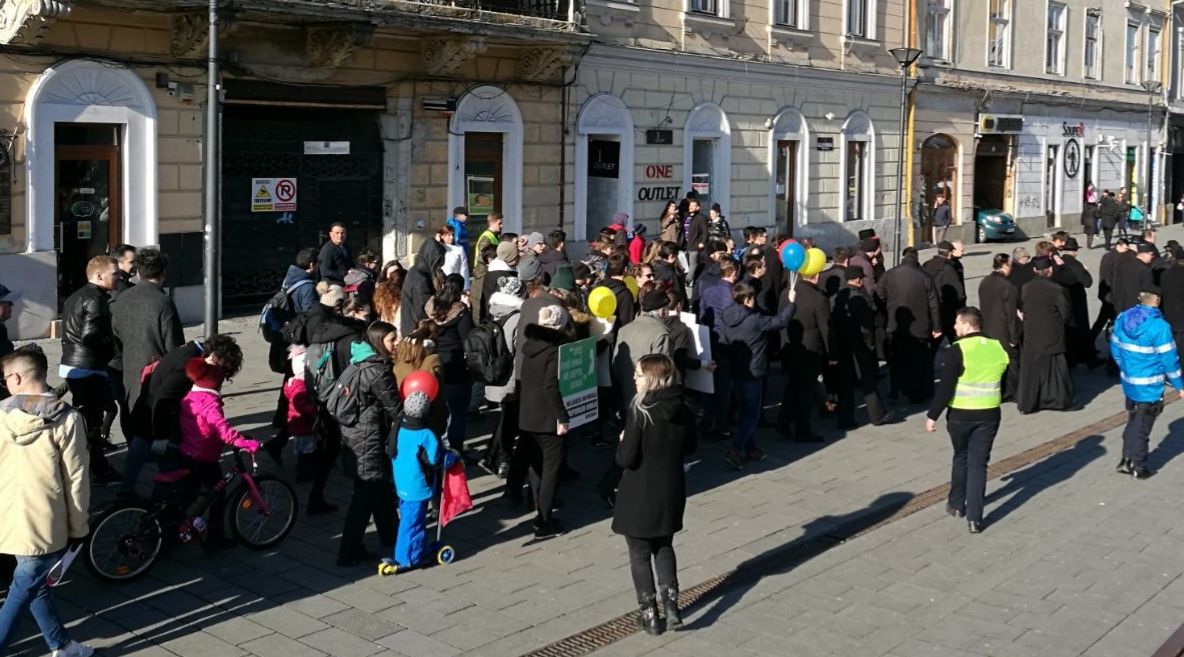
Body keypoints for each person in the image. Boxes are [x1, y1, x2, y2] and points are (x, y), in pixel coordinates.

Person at [0, 347, 94, 657]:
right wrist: (79, 527)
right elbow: (77, 479)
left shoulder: (1, 413)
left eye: (5, 379)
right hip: (44, 520)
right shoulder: (67, 419)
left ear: (16, 377)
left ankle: (61, 645)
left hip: (9, 515)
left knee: (32, 581)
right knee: (22, 589)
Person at [612, 354, 697, 636]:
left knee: (639, 554)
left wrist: (624, 440)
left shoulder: (642, 411)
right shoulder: (683, 408)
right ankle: (672, 608)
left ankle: (650, 615)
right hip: (671, 490)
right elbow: (691, 447)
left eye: (638, 374)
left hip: (639, 493)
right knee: (664, 546)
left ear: (651, 378)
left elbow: (626, 459)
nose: (635, 379)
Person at [124, 335, 243, 497]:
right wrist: (161, 436)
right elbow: (164, 398)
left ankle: (129, 493)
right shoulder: (188, 366)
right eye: (221, 368)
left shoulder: (190, 349)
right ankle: (159, 511)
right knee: (176, 473)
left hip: (147, 413)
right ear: (215, 358)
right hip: (157, 418)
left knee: (145, 450)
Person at [925, 307, 1009, 534]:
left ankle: (956, 504)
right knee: (979, 464)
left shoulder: (957, 349)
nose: (954, 327)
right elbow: (1007, 378)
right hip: (989, 414)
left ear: (968, 325)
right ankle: (975, 518)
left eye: (957, 323)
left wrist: (933, 415)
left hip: (961, 415)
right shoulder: (997, 347)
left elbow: (945, 386)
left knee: (961, 457)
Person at [176, 356, 261, 547]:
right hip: (204, 457)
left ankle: (170, 529)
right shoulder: (208, 402)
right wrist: (242, 442)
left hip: (188, 452)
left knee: (188, 494)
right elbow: (220, 427)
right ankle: (216, 537)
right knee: (217, 496)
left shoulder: (190, 396)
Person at [337, 322, 403, 567]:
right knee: (363, 498)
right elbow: (395, 408)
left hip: (355, 436)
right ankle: (348, 551)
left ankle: (391, 535)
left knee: (380, 489)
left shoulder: (360, 361)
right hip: (367, 439)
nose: (396, 344)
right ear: (378, 342)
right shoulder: (377, 370)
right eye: (391, 340)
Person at [719, 282, 796, 468]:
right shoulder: (754, 319)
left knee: (746, 411)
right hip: (753, 372)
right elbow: (780, 321)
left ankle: (751, 449)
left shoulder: (727, 316)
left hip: (736, 370)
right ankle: (736, 449)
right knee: (751, 414)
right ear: (747, 299)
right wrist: (791, 303)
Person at [111, 248, 184, 442]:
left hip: (129, 370)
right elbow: (175, 348)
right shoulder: (163, 302)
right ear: (163, 273)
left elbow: (115, 335)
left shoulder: (123, 298)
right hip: (157, 374)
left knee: (134, 420)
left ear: (139, 271)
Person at [1110, 289, 1184, 479]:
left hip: (1130, 381)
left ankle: (1126, 457)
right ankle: (1138, 464)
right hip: (1150, 385)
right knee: (1142, 425)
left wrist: (1124, 367)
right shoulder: (1159, 326)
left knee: (1133, 419)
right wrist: (1179, 385)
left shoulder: (1123, 317)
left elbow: (1115, 347)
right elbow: (1169, 359)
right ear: (1157, 301)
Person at [60, 255, 120, 485]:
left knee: (98, 411)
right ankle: (99, 470)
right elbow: (90, 335)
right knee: (91, 421)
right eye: (114, 273)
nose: (118, 277)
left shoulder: (75, 296)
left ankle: (94, 460)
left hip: (74, 363)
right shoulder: (96, 299)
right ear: (98, 275)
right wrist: (112, 347)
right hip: (88, 367)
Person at [518, 305, 572, 538]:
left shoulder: (529, 347)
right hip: (547, 418)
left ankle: (538, 501)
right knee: (552, 467)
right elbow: (551, 387)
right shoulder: (555, 351)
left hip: (528, 415)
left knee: (536, 464)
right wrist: (562, 416)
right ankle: (544, 520)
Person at [384, 390, 441, 573]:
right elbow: (434, 459)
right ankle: (407, 557)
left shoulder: (399, 426)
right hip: (418, 486)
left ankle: (418, 549)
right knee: (414, 522)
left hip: (401, 482)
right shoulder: (425, 434)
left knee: (408, 518)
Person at [876, 247, 942, 403]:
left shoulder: (889, 275)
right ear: (916, 258)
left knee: (897, 361)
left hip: (894, 326)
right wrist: (937, 327)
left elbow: (879, 296)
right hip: (920, 327)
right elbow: (934, 305)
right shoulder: (924, 277)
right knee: (917, 362)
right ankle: (916, 392)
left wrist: (886, 314)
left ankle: (895, 389)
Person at [833, 268, 894, 428]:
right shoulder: (860, 298)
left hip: (843, 344)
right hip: (860, 344)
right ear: (859, 280)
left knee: (845, 383)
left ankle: (845, 419)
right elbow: (867, 325)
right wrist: (870, 344)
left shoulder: (838, 296)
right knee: (868, 380)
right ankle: (877, 415)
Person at [1017, 257, 1076, 413]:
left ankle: (1029, 402)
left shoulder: (1026, 287)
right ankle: (1058, 400)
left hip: (1032, 334)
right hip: (1052, 334)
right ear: (1049, 270)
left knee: (1033, 370)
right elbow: (1066, 313)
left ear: (1035, 270)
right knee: (1056, 370)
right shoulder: (1056, 289)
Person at [482, 276, 526, 478]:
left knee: (505, 420)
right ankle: (500, 460)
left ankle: (492, 457)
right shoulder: (517, 317)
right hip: (510, 377)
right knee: (508, 422)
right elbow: (518, 350)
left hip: (495, 374)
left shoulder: (495, 311)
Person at [781, 268, 831, 443]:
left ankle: (783, 424)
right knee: (805, 393)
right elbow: (825, 329)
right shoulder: (819, 298)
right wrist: (832, 353)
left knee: (791, 387)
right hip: (810, 352)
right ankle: (803, 431)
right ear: (816, 275)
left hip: (788, 348)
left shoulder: (786, 293)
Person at [427, 274, 474, 454]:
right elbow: (468, 339)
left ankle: (437, 447)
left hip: (435, 362)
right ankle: (455, 451)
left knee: (439, 410)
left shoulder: (431, 307)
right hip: (456, 366)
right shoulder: (460, 312)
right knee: (457, 413)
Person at [978, 254, 1021, 402]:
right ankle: (1012, 392)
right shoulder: (1008, 286)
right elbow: (1011, 315)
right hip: (1003, 330)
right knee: (1012, 361)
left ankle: (996, 390)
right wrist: (1013, 337)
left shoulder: (984, 282)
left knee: (993, 362)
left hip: (988, 328)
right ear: (1004, 266)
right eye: (1010, 265)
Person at [1053, 238, 1096, 367]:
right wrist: (1086, 270)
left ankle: (1072, 356)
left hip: (1064, 300)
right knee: (1082, 328)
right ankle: (1088, 357)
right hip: (1077, 300)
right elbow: (1088, 283)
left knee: (1069, 330)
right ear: (1075, 251)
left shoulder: (1060, 263)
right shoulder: (1076, 264)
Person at [923, 241, 966, 343]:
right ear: (950, 253)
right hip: (947, 311)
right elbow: (959, 294)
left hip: (930, 309)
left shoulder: (926, 264)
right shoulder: (949, 268)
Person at [400, 238, 445, 336]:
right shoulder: (419, 278)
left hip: (413, 327)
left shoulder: (417, 272)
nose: (439, 266)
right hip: (416, 330)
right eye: (438, 262)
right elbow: (423, 309)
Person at [471, 212, 503, 319]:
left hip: (487, 274)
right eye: (499, 223)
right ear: (492, 223)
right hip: (482, 275)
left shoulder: (494, 236)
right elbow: (482, 257)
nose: (502, 226)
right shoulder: (486, 238)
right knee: (480, 304)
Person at [1113, 241, 1156, 314]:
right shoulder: (1145, 269)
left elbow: (1116, 281)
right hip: (1136, 308)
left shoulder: (1124, 264)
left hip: (1121, 303)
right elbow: (1146, 291)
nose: (1152, 256)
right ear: (1144, 254)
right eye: (1151, 254)